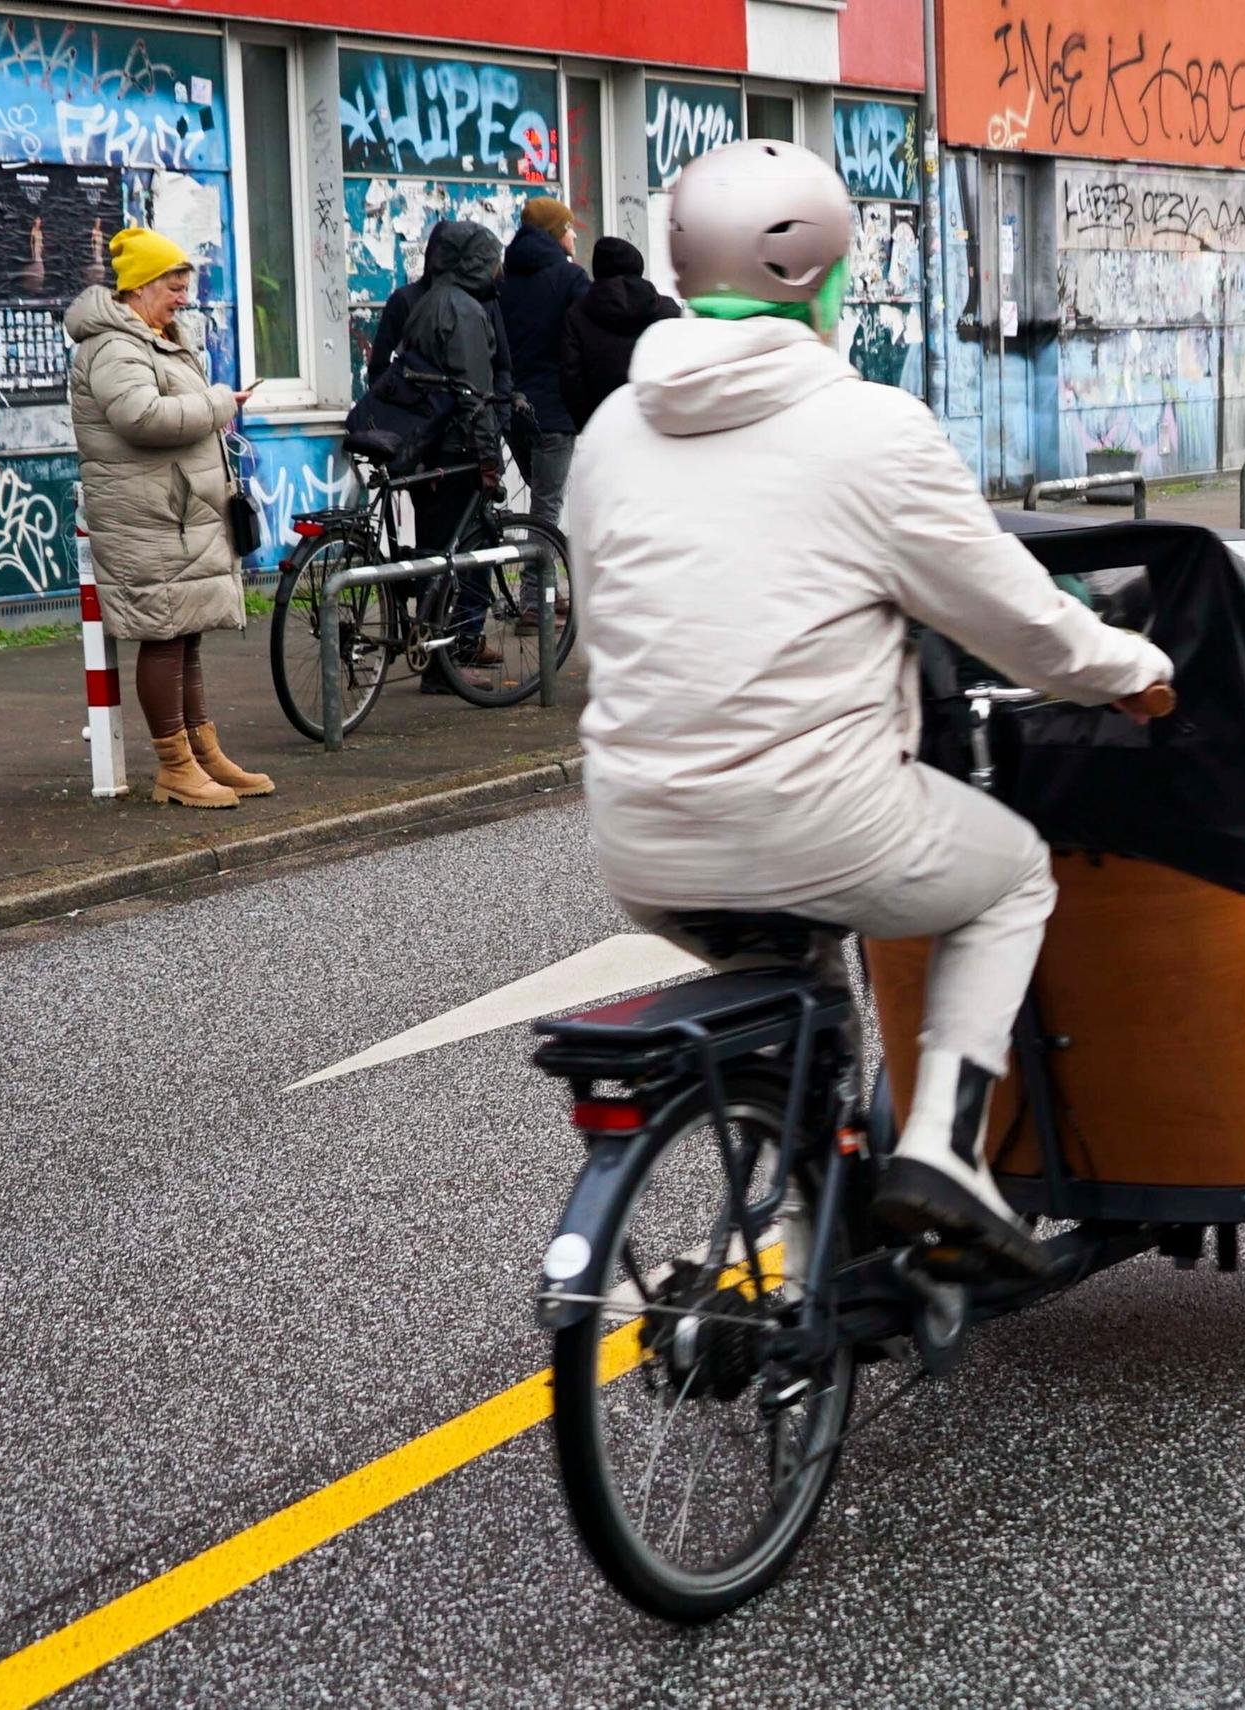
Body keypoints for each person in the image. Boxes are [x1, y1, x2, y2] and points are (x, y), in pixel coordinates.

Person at [567, 142, 1171, 1277]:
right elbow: (1016, 622)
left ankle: (801, 1256)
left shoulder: (610, 433)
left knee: (797, 1006)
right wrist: (1126, 669)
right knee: (1007, 876)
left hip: (640, 831)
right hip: (819, 818)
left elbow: (603, 628)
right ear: (829, 279)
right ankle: (944, 1144)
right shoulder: (872, 429)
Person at [65, 227, 273, 810]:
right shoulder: (112, 346)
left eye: (185, 286)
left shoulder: (152, 338)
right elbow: (140, 416)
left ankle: (204, 753)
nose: (183, 296)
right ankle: (175, 767)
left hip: (174, 514)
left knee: (185, 636)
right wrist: (219, 403)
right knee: (163, 636)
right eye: (173, 286)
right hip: (148, 517)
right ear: (137, 287)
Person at [402, 221, 512, 685]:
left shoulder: (426, 303)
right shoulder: (464, 310)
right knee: (460, 555)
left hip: (429, 447)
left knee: (435, 556)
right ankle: (446, 665)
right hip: (457, 448)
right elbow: (474, 393)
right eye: (490, 260)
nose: (496, 270)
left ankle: (436, 661)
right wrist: (489, 459)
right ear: (474, 263)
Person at [365, 219, 515, 429]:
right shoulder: (406, 300)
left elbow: (502, 366)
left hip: (473, 427)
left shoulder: (484, 301)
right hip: (419, 430)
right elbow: (381, 369)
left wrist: (498, 419)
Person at [497, 198, 590, 528]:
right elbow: (590, 335)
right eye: (568, 228)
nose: (575, 236)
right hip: (554, 411)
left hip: (513, 412)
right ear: (554, 233)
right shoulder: (570, 278)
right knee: (547, 508)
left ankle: (540, 579)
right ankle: (535, 582)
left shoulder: (502, 279)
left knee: (540, 498)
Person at [560, 236, 684, 431]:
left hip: (603, 425)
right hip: (659, 424)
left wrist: (589, 425)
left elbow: (572, 379)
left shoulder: (578, 314)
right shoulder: (666, 309)